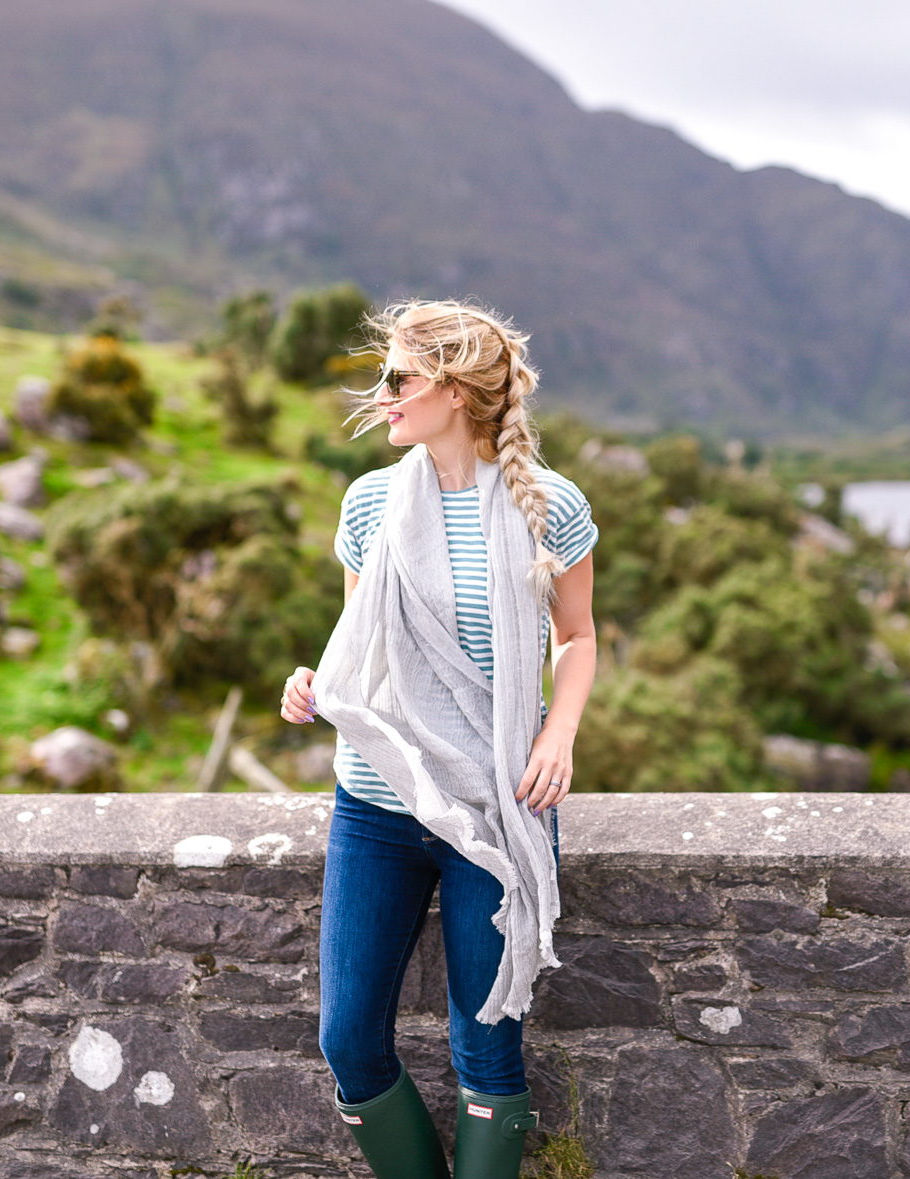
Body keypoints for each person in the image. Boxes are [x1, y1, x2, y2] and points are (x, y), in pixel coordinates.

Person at [280, 299, 597, 1179]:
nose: (380, 395)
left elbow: (578, 636)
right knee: (347, 1038)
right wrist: (313, 682)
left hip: (499, 804)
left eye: (397, 377)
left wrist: (557, 732)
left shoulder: (551, 504)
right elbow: (362, 643)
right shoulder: (371, 500)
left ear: (454, 391)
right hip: (376, 804)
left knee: (485, 1043)